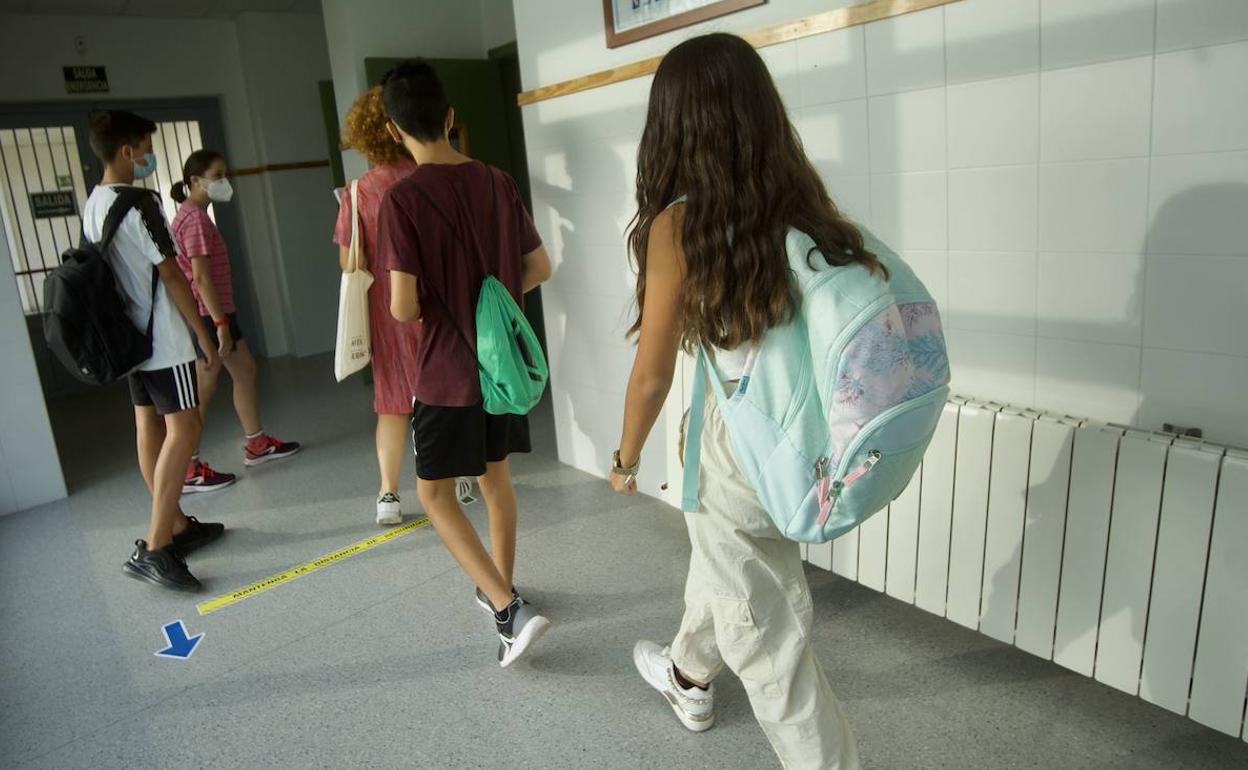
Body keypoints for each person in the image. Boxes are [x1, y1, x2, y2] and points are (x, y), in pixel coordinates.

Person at [610, 34, 863, 768]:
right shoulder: (803, 203)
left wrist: (625, 459)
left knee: (769, 644)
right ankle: (688, 676)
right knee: (734, 570)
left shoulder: (679, 225)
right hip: (798, 430)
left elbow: (652, 374)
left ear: (674, 127)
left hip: (732, 445)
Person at [377, 60, 553, 667]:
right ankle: (500, 585)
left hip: (447, 374)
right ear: (450, 118)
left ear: (395, 128)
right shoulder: (498, 181)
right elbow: (538, 268)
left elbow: (403, 306)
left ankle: (506, 608)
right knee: (495, 478)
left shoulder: (401, 200)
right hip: (500, 370)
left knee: (433, 495)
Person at [84, 110, 227, 592]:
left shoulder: (94, 203)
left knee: (149, 426)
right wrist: (202, 333)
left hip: (126, 338)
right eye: (145, 147)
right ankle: (156, 545)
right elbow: (171, 273)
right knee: (184, 427)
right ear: (127, 151)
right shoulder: (139, 203)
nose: (148, 156)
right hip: (162, 338)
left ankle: (177, 526)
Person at [333, 87, 473, 526]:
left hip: (387, 311)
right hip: (436, 303)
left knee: (392, 402)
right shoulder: (433, 177)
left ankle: (388, 495)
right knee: (446, 392)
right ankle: (458, 475)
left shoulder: (359, 192)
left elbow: (348, 261)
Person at [170, 150, 300, 492]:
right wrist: (220, 324)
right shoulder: (195, 221)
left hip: (218, 313)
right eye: (217, 175)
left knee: (245, 371)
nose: (224, 181)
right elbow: (201, 278)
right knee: (203, 390)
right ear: (195, 181)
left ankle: (257, 444)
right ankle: (188, 467)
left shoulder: (193, 215)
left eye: (224, 174)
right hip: (209, 315)